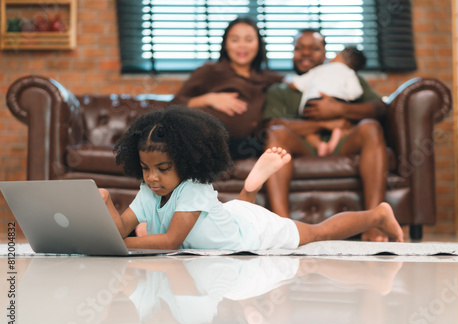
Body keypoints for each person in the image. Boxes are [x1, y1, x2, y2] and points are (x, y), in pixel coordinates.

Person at [99, 105, 404, 251]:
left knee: (317, 233)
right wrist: (106, 204)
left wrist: (120, 245)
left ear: (187, 161)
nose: (152, 178)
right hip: (225, 218)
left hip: (251, 233)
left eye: (162, 168)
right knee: (236, 214)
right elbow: (120, 229)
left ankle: (378, 214)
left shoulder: (192, 188)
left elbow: (171, 241)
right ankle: (250, 190)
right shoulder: (149, 189)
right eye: (145, 168)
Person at [262, 29, 390, 242]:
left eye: (313, 48)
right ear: (292, 52)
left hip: (345, 142)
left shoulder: (345, 76)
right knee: (277, 133)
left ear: (325, 54)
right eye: (299, 48)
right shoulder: (281, 89)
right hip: (301, 146)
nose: (305, 53)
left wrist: (340, 110)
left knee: (371, 127)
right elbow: (272, 124)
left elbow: (379, 108)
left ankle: (373, 223)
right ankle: (283, 230)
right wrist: (325, 122)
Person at [170, 17, 283, 160]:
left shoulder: (268, 78)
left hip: (244, 143)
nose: (242, 46)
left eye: (248, 40)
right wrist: (209, 99)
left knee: (251, 146)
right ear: (225, 44)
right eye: (235, 40)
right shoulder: (210, 71)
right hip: (202, 136)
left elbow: (293, 83)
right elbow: (174, 105)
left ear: (258, 44)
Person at [288, 46, 367, 156]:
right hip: (336, 102)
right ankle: (335, 139)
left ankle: (319, 145)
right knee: (340, 125)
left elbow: (296, 84)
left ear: (339, 55)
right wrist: (343, 97)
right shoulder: (349, 73)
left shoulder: (319, 69)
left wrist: (285, 81)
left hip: (312, 104)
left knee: (309, 129)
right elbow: (356, 92)